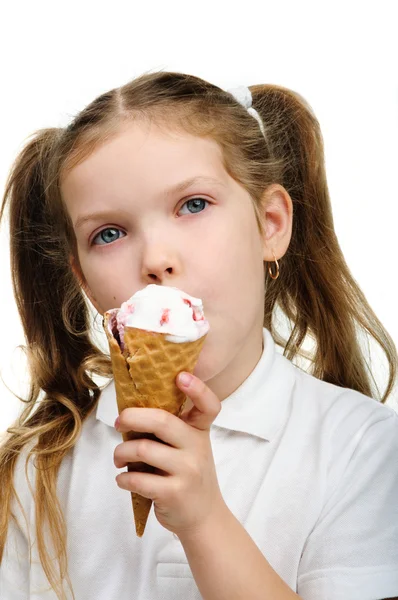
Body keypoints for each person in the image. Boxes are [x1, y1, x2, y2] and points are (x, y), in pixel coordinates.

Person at [0, 71, 397, 600]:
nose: (157, 260)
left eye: (193, 205)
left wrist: (204, 520)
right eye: (110, 234)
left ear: (271, 223)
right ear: (85, 283)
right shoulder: (41, 469)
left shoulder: (362, 447)